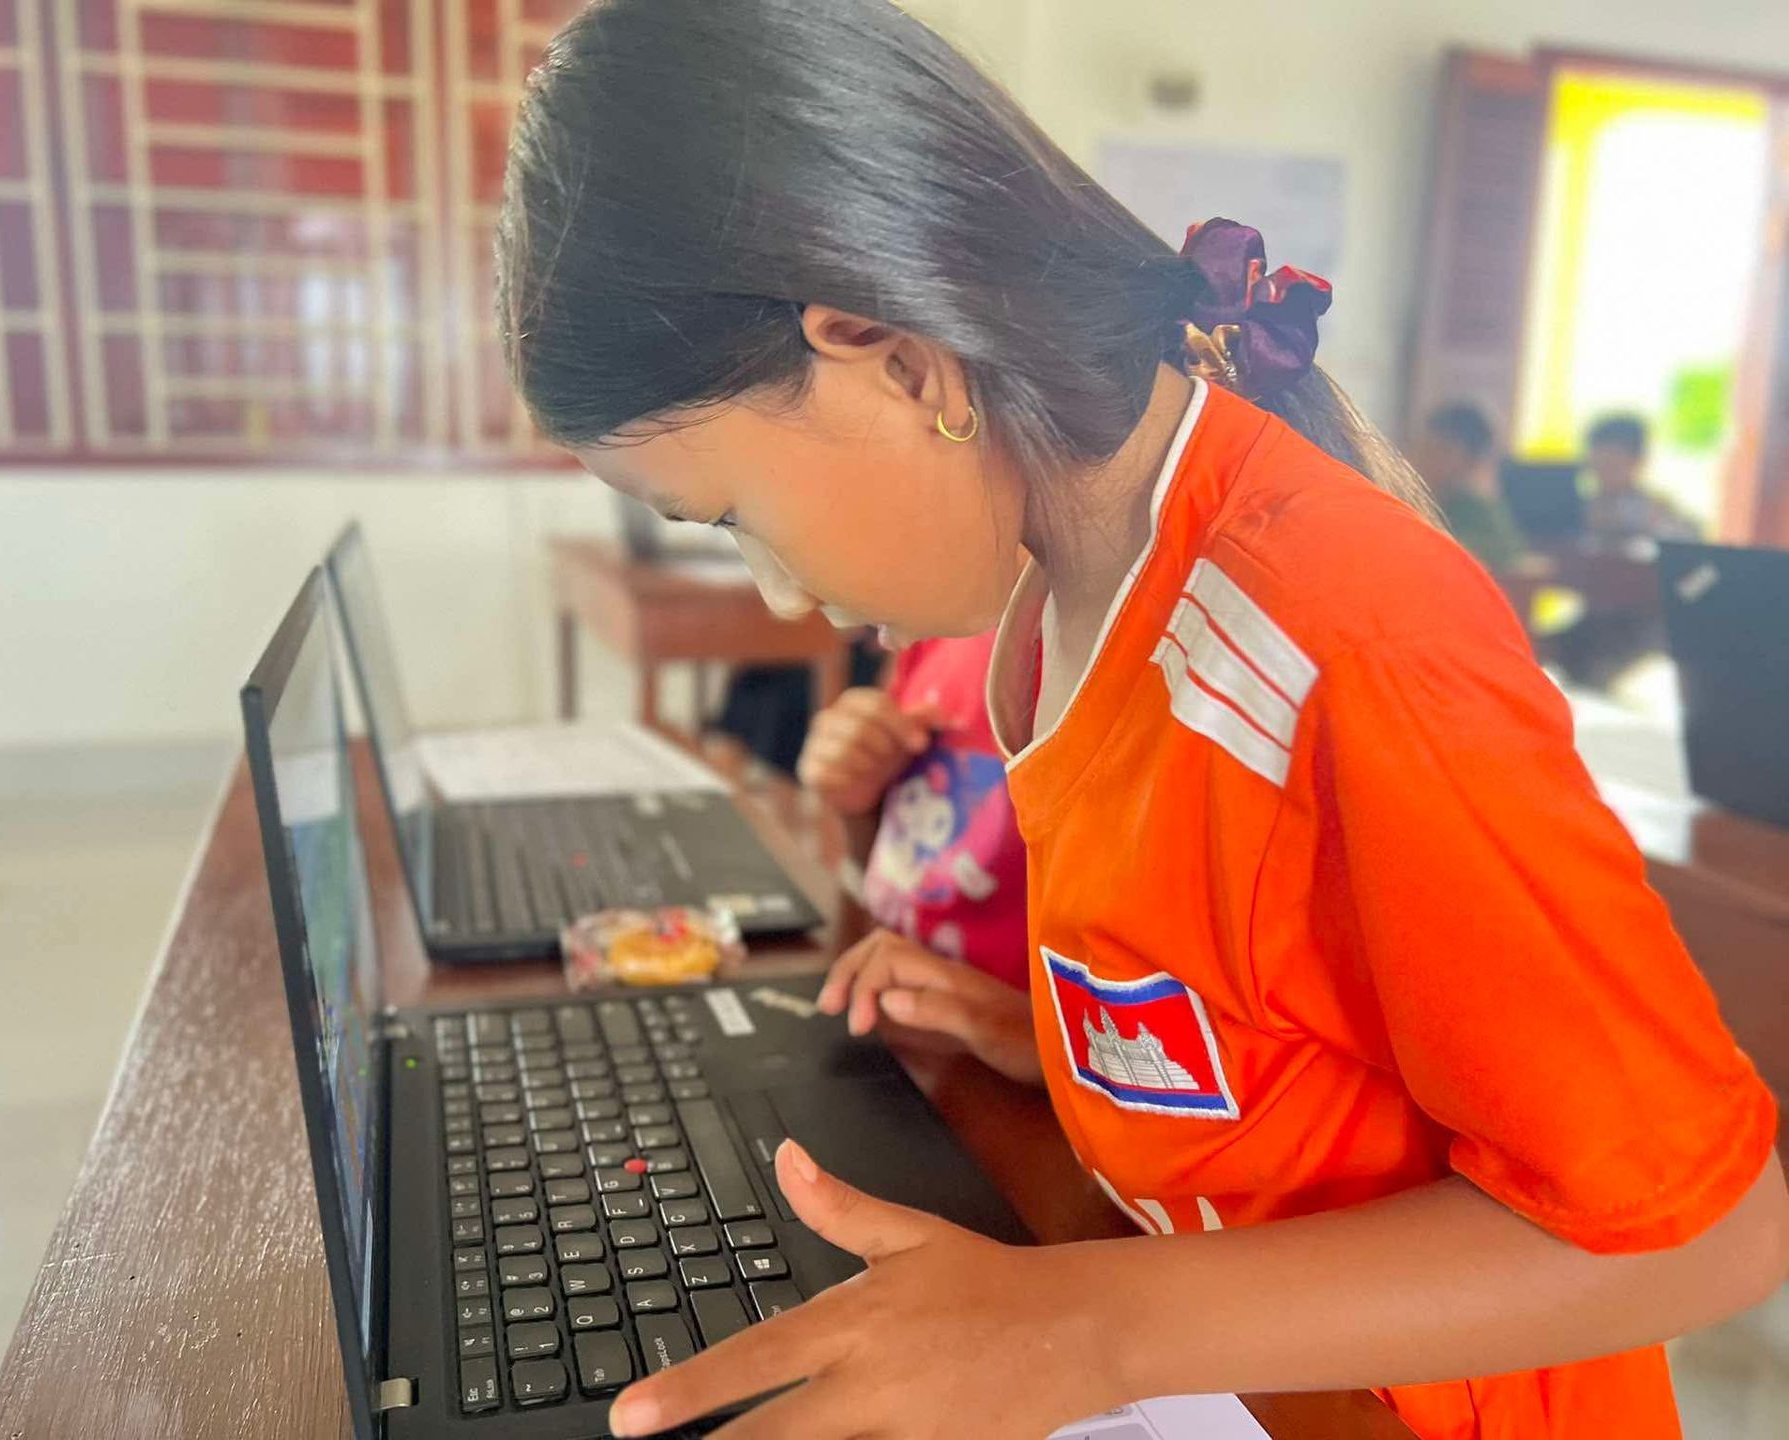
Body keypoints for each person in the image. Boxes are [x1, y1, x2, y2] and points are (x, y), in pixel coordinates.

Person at [495, 4, 1788, 1437]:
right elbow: (1289, 1025)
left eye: (736, 515)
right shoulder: (1056, 602)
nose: (781, 594)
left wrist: (1084, 1335)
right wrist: (1057, 1052)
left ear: (892, 357)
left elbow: (1704, 1229)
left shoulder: (1341, 633)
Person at [798, 633, 1028, 994]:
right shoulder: (929, 630)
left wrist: (998, 1025)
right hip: (885, 999)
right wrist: (858, 800)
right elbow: (881, 873)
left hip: (983, 1038)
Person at [1413, 402, 1527, 576]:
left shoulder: (1477, 509)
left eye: (1440, 450)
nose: (1423, 458)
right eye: (1424, 447)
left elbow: (1503, 555)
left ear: (1472, 460)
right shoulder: (1423, 502)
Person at [1584, 413, 1700, 547]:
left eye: (1612, 465)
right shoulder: (1578, 510)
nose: (1602, 473)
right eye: (1597, 465)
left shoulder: (1659, 511)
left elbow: (1689, 540)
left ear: (1639, 461)